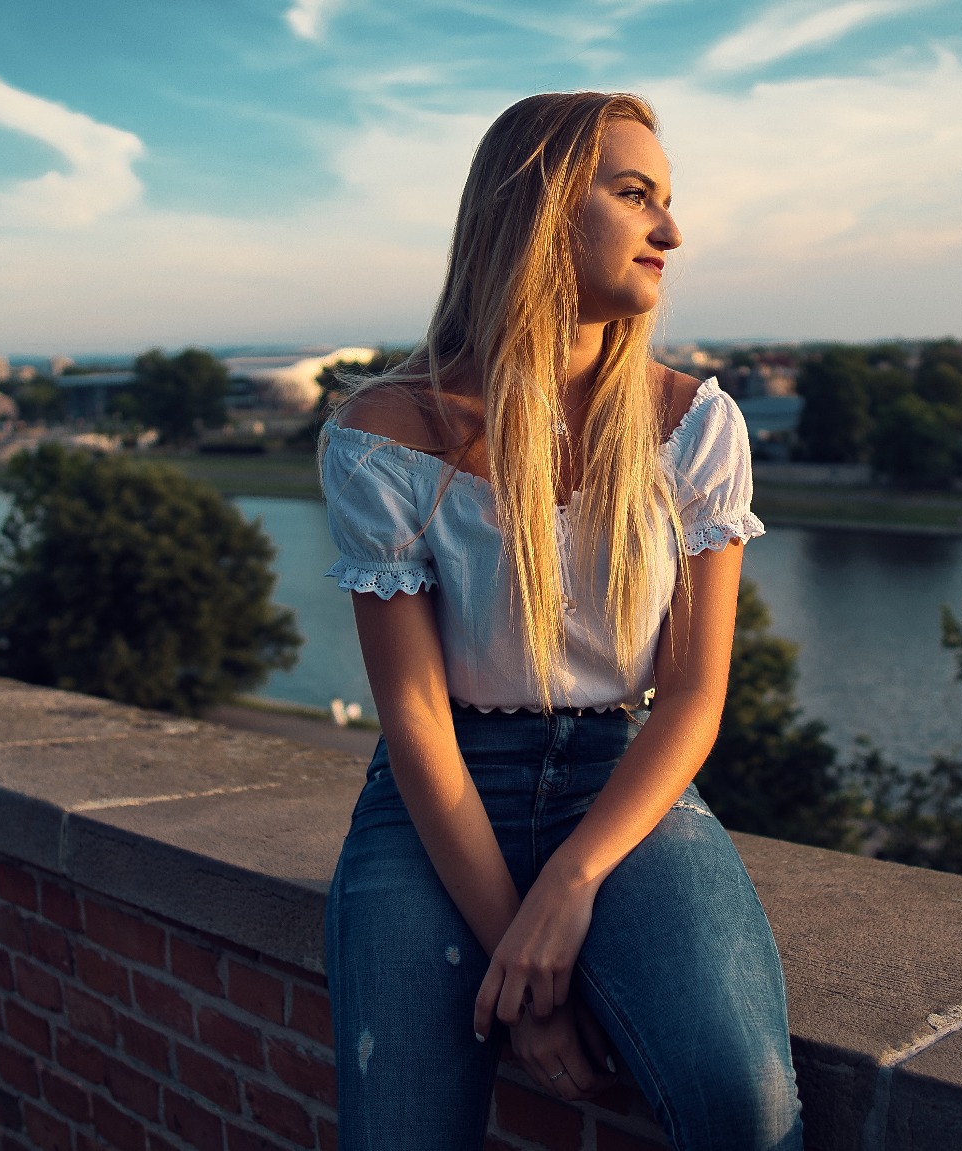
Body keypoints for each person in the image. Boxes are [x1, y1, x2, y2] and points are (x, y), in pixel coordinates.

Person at [319, 91, 803, 1151]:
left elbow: (693, 695)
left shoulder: (694, 425)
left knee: (745, 1102)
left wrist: (572, 881)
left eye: (666, 199)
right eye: (635, 195)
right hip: (441, 794)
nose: (671, 231)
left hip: (619, 783)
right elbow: (414, 720)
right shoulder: (385, 434)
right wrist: (526, 973)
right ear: (537, 209)